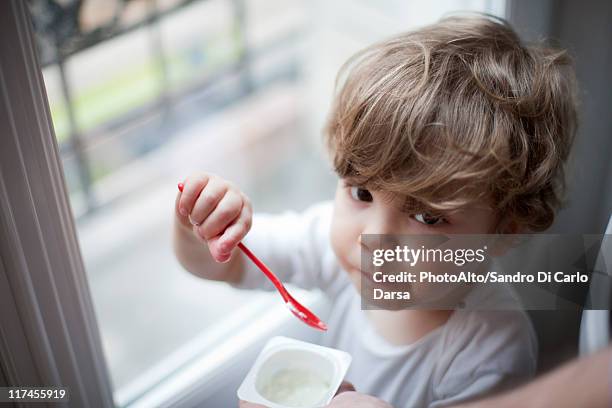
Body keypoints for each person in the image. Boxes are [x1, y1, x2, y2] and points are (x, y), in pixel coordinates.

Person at [173, 15, 577, 407]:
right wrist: (203, 229)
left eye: (428, 217)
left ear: (504, 231)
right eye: (361, 192)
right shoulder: (333, 245)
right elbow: (222, 265)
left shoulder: (491, 348)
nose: (374, 240)